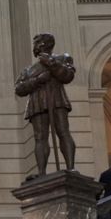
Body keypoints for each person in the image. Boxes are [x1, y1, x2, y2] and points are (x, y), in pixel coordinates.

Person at [15, 32, 76, 178]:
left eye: (36, 43)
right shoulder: (29, 70)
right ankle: (41, 172)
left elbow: (68, 76)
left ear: (44, 44)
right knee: (40, 137)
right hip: (36, 102)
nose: (34, 47)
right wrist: (38, 80)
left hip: (57, 99)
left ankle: (71, 168)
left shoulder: (63, 58)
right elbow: (19, 88)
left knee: (63, 131)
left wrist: (53, 65)